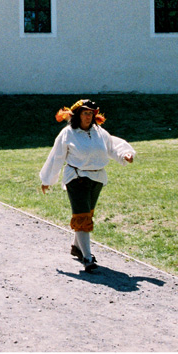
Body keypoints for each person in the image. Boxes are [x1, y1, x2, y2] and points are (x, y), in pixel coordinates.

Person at [39, 99, 135, 272]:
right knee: (82, 217)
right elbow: (56, 156)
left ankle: (77, 247)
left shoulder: (99, 132)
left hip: (97, 178)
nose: (88, 116)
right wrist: (47, 180)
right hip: (77, 178)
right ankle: (87, 258)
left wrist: (125, 154)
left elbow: (112, 146)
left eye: (91, 113)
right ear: (77, 115)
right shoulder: (68, 133)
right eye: (85, 113)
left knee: (86, 215)